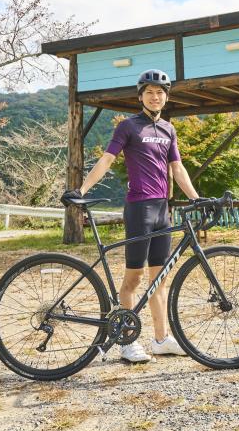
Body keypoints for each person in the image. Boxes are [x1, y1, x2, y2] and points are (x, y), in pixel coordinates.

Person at [71, 69, 199, 363]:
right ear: (140, 97)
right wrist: (81, 189)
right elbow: (107, 159)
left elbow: (177, 168)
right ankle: (127, 342)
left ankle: (161, 339)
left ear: (166, 97)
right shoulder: (128, 127)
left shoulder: (168, 129)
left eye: (160, 92)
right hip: (139, 209)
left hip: (162, 210)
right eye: (149, 92)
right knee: (134, 278)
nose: (155, 97)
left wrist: (196, 198)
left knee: (159, 279)